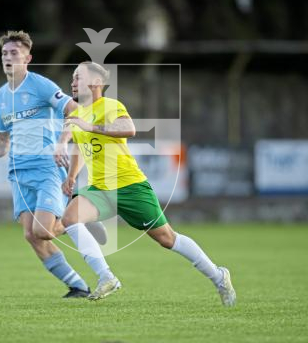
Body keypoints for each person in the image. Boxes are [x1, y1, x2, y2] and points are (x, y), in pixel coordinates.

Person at [61, 61, 236, 306]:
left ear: (97, 83)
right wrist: (71, 176)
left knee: (167, 239)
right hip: (100, 188)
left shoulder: (110, 105)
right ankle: (106, 277)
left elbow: (128, 128)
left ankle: (219, 276)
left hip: (130, 186)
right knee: (70, 218)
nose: (73, 82)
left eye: (78, 77)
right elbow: (81, 146)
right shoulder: (76, 113)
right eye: (72, 77)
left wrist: (90, 126)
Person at [0, 30, 93, 298]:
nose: (8, 58)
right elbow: (3, 139)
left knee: (43, 230)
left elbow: (75, 110)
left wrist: (62, 141)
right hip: (18, 171)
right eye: (4, 54)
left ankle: (79, 215)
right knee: (32, 236)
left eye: (14, 53)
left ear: (27, 58)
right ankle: (78, 286)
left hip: (47, 167)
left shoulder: (41, 85)